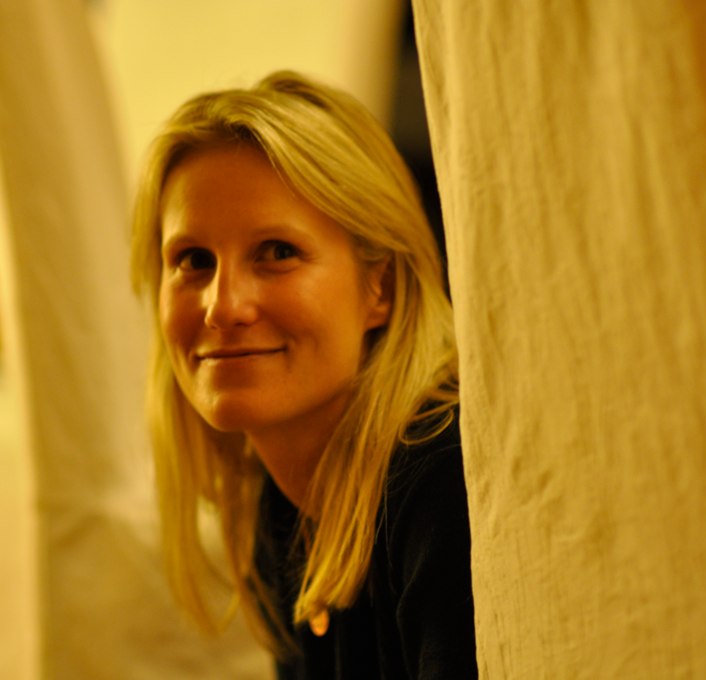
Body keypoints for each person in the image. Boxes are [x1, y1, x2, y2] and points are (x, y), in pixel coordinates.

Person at [130, 70, 476, 679]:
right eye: (193, 260)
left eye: (276, 253)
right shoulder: (282, 506)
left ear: (381, 287)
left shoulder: (444, 483)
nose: (222, 305)